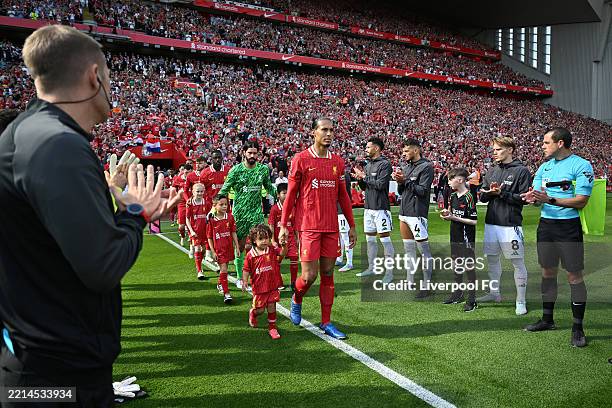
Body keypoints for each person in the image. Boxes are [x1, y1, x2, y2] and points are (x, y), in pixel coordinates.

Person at [0, 25, 179, 404]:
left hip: (36, 364)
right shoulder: (58, 144)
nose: (111, 88)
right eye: (110, 77)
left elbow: (63, 248)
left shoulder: (28, 133)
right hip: (56, 372)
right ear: (94, 77)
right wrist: (135, 212)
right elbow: (102, 265)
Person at [279, 117, 356, 340]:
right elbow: (291, 194)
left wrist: (351, 226)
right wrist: (284, 225)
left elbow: (344, 196)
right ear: (314, 132)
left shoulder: (338, 162)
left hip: (331, 226)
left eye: (331, 130)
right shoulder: (301, 159)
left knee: (328, 273)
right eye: (324, 129)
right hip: (308, 226)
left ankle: (326, 321)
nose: (329, 134)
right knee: (309, 275)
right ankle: (297, 297)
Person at [521, 128, 594, 347]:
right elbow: (537, 197)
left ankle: (578, 327)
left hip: (568, 228)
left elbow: (581, 201)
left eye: (545, 142)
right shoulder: (544, 167)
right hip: (546, 226)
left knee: (574, 276)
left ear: (560, 143)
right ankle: (547, 319)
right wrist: (532, 198)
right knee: (547, 272)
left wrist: (549, 200)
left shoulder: (581, 165)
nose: (542, 146)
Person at [477, 137, 531, 316]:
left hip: (510, 225)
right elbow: (482, 197)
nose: (494, 152)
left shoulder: (521, 171)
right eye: (494, 149)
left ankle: (520, 300)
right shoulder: (491, 169)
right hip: (491, 223)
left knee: (517, 262)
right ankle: (494, 293)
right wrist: (489, 193)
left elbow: (523, 199)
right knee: (492, 259)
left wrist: (502, 193)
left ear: (510, 150)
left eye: (498, 149)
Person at [220, 141, 277, 289]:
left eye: (255, 153)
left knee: (259, 246)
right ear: (243, 153)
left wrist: (284, 196)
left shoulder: (263, 170)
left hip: (257, 214)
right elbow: (224, 190)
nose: (252, 156)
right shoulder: (235, 170)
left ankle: (259, 277)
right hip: (239, 215)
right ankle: (240, 278)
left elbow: (269, 187)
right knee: (239, 246)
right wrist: (216, 209)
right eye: (249, 153)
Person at [392, 138, 435, 299]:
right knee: (408, 249)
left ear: (416, 150)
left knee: (424, 251)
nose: (403, 154)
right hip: (404, 213)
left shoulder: (426, 167)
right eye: (403, 151)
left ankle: (427, 285)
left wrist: (406, 181)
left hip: (417, 214)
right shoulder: (406, 167)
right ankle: (409, 280)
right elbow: (402, 191)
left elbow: (423, 191)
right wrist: (399, 181)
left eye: (406, 151)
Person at [352, 137, 394, 282]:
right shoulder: (368, 165)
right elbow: (365, 187)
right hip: (368, 207)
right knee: (370, 240)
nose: (366, 150)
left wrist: (364, 176)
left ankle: (389, 273)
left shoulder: (385, 164)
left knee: (385, 240)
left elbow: (381, 185)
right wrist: (360, 179)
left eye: (368, 147)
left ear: (376, 148)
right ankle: (371, 267)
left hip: (380, 208)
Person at [440, 168, 478, 312]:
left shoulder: (469, 197)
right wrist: (447, 214)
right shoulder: (453, 196)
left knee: (469, 267)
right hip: (454, 235)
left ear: (460, 180)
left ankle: (472, 299)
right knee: (456, 264)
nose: (448, 182)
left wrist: (453, 217)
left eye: (451, 179)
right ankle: (457, 293)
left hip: (466, 237)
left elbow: (474, 221)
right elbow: (451, 212)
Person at [242, 224, 287, 340]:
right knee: (260, 310)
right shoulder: (250, 256)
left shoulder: (271, 250)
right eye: (261, 239)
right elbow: (246, 269)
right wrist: (245, 281)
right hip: (259, 288)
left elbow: (282, 254)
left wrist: (284, 246)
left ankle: (272, 327)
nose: (264, 241)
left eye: (267, 238)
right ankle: (253, 313)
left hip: (272, 285)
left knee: (272, 305)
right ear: (254, 241)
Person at [207, 194, 240, 304]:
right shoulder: (212, 220)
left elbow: (233, 232)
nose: (224, 206)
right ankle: (227, 294)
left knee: (224, 270)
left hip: (229, 248)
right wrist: (212, 251)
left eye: (226, 204)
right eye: (221, 205)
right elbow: (210, 237)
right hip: (219, 250)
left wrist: (237, 247)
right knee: (224, 269)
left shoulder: (230, 217)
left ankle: (220, 283)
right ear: (215, 206)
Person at [199, 149, 230, 265]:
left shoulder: (228, 171)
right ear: (211, 159)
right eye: (215, 158)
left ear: (222, 158)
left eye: (219, 157)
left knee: (224, 230)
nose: (217, 160)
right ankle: (208, 251)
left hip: (225, 207)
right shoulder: (205, 173)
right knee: (211, 230)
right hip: (210, 207)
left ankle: (221, 254)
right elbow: (201, 189)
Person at [268, 183, 299, 291]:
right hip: (279, 241)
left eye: (287, 193)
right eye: (283, 193)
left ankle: (294, 283)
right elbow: (271, 226)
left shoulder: (292, 207)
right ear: (278, 195)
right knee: (276, 262)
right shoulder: (274, 209)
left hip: (291, 239)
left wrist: (297, 238)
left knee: (295, 258)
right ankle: (278, 281)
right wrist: (272, 240)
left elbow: (295, 225)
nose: (286, 195)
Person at [184, 157, 206, 259]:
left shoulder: (208, 174)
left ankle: (207, 253)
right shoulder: (190, 176)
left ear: (205, 164)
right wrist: (188, 199)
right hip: (193, 203)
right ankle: (192, 247)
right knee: (193, 223)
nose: (197, 165)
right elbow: (185, 190)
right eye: (196, 163)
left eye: (200, 163)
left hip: (205, 203)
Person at [186, 183, 208, 280]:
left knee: (203, 250)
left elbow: (208, 216)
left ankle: (199, 262)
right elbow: (187, 219)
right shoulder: (190, 203)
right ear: (193, 192)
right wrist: (191, 231)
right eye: (197, 191)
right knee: (198, 249)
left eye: (201, 191)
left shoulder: (206, 202)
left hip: (205, 231)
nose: (199, 193)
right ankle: (199, 270)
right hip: (195, 231)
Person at [335, 167, 354, 271]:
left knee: (345, 236)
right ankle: (340, 258)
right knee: (340, 236)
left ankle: (349, 262)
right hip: (337, 210)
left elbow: (341, 193)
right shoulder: (342, 175)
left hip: (342, 210)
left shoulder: (343, 176)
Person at [173, 164, 189, 247]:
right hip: (182, 203)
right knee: (181, 226)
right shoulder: (178, 178)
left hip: (191, 202)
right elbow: (173, 188)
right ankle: (182, 237)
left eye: (188, 172)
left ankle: (192, 241)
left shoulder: (193, 178)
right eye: (184, 170)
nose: (186, 173)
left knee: (193, 223)